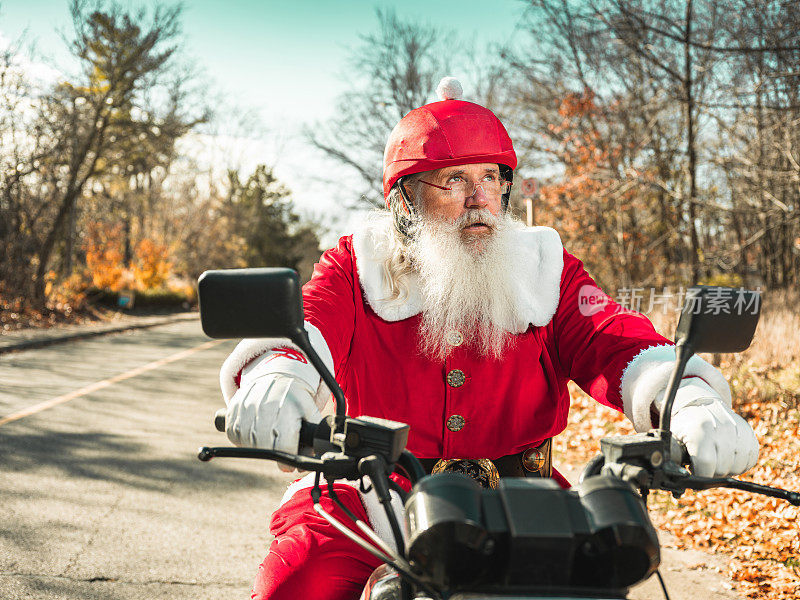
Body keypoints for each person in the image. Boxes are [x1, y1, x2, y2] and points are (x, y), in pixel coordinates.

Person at [219, 77, 759, 600]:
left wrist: (686, 396)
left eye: (491, 178)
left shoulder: (544, 268)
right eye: (454, 180)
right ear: (404, 200)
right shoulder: (360, 266)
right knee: (294, 585)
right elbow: (309, 322)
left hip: (522, 498)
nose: (480, 198)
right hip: (371, 497)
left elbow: (613, 337)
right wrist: (277, 374)